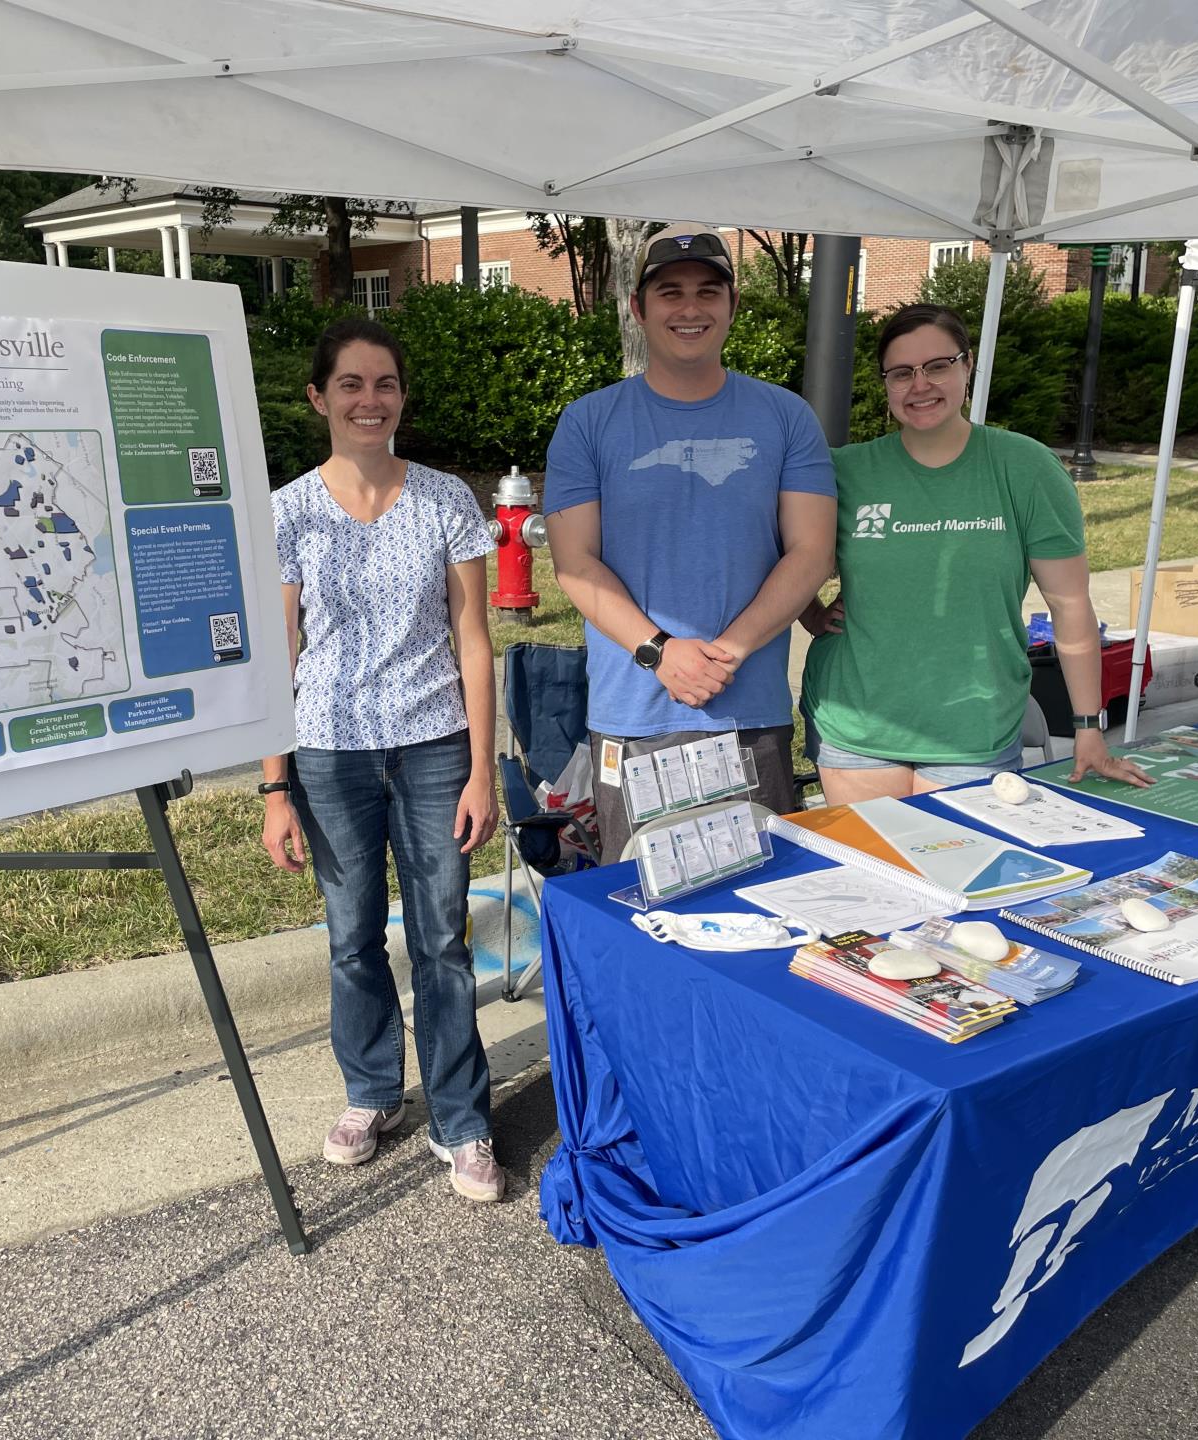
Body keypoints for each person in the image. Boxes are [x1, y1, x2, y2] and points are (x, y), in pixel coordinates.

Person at [259, 317, 504, 1204]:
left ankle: (461, 1117)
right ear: (320, 398)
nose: (371, 401)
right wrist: (275, 786)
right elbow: (278, 653)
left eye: (386, 384)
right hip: (328, 755)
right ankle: (371, 1093)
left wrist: (483, 770)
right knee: (352, 937)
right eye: (352, 385)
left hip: (435, 745)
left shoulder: (446, 500)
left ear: (402, 396)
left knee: (442, 936)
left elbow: (474, 640)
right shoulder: (286, 511)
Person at [544, 222, 837, 860]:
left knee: (763, 898)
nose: (690, 308)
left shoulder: (786, 417)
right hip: (633, 714)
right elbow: (574, 563)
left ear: (732, 305)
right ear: (638, 308)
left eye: (708, 291)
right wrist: (660, 653)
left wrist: (726, 653)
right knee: (643, 902)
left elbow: (811, 551)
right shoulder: (587, 422)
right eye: (670, 291)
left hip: (749, 709)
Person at [799, 304, 1151, 801]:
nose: (920, 385)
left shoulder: (1024, 467)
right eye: (902, 373)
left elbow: (1070, 604)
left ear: (968, 366)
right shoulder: (845, 470)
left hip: (973, 725)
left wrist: (1089, 726)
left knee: (960, 874)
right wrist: (808, 611)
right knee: (875, 872)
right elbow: (765, 546)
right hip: (858, 722)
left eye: (938, 366)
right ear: (885, 384)